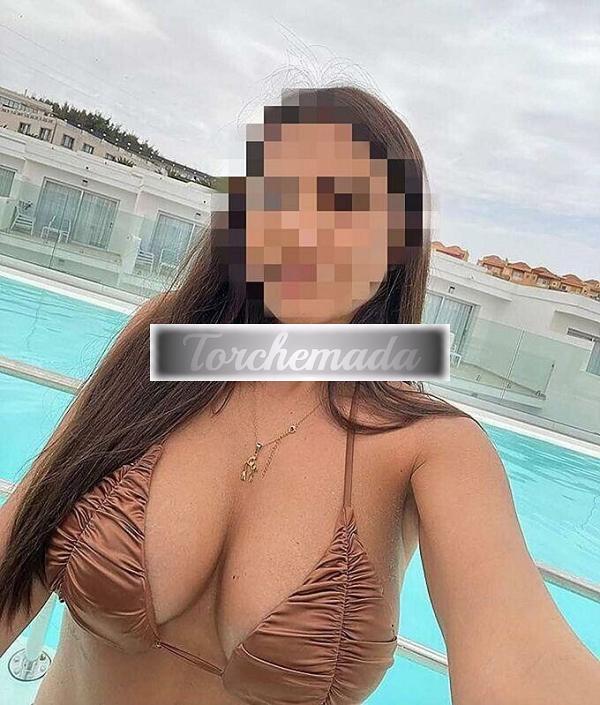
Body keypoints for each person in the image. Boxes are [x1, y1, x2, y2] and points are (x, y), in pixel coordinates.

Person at [1, 86, 598, 705]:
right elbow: (19, 542)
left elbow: (522, 659)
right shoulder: (166, 342)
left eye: (345, 204)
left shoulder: (430, 448)